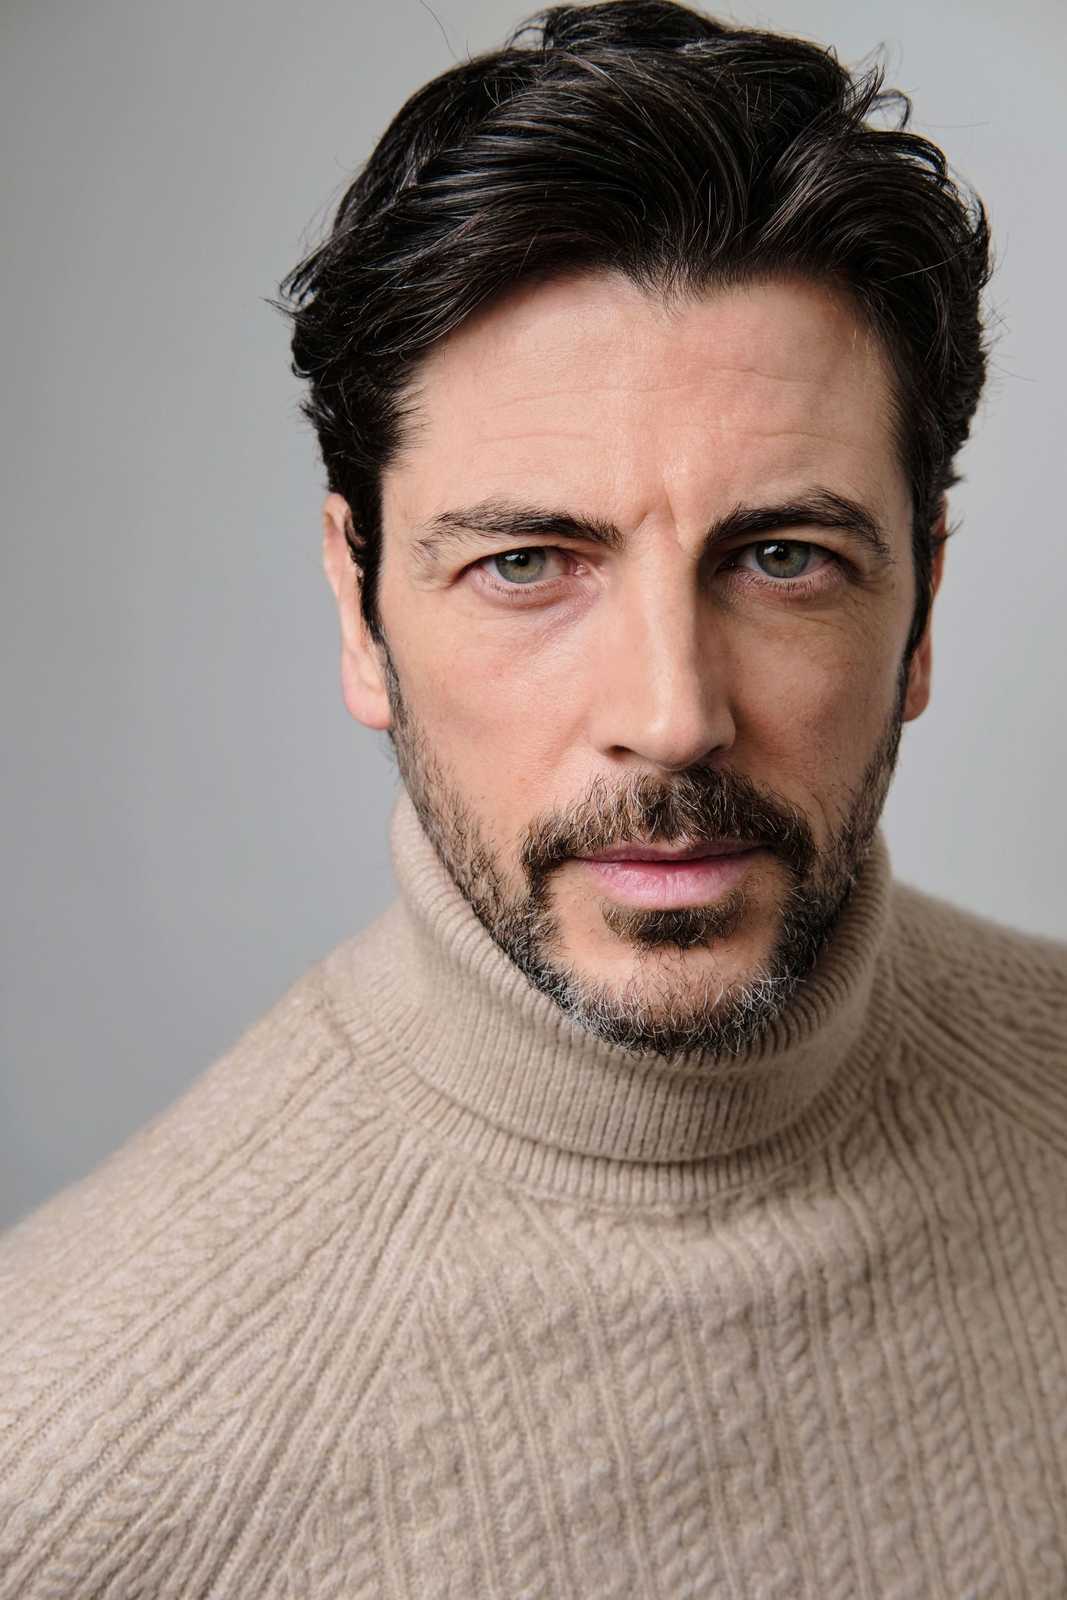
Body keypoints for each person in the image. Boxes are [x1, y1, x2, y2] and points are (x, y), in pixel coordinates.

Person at [2, 2, 1064, 1594]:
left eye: (784, 557)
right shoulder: (61, 1457)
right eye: (527, 564)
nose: (672, 717)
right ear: (361, 609)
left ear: (920, 611)